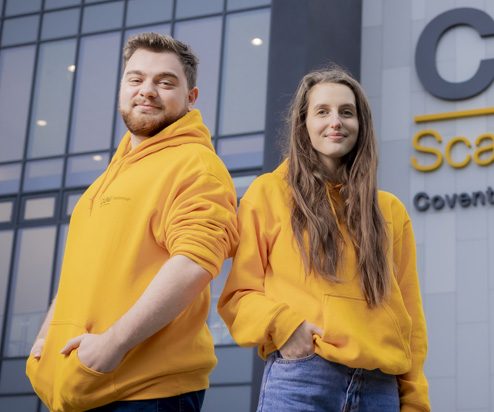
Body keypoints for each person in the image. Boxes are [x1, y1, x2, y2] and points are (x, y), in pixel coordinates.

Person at [26, 32, 239, 412]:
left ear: (191, 99)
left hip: (144, 392)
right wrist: (45, 338)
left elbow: (194, 264)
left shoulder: (197, 165)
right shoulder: (107, 178)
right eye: (136, 79)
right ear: (122, 88)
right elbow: (80, 272)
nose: (147, 90)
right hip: (83, 386)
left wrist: (113, 345)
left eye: (165, 82)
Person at [217, 67, 430, 411]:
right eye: (322, 111)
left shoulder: (390, 211)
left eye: (347, 112)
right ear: (303, 124)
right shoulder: (268, 193)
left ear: (361, 126)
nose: (336, 122)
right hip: (302, 380)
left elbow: (411, 319)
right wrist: (285, 327)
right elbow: (239, 295)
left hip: (380, 390)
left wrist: (415, 399)